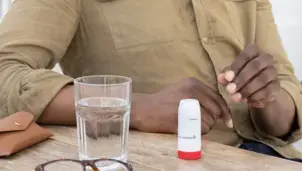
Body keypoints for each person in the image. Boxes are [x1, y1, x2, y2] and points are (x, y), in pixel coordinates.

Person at [0, 0, 301, 162]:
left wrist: (268, 98)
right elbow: (5, 71)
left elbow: (287, 103)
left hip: (271, 158)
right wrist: (136, 107)